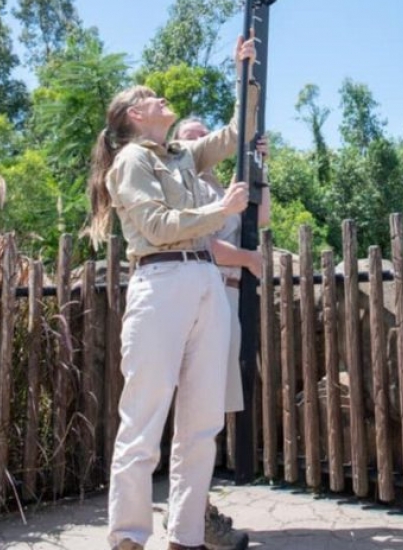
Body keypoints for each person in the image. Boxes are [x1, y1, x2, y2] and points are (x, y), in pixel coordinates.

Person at [86, 35, 259, 550]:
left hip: (204, 279)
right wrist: (220, 212)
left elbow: (237, 133)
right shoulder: (132, 162)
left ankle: (186, 539)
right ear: (136, 113)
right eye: (154, 96)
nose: (163, 98)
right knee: (142, 422)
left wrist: (243, 71)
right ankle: (129, 539)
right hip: (160, 283)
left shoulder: (182, 155)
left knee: (201, 424)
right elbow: (159, 226)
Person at [170, 117, 270, 550]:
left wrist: (261, 168)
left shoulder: (220, 185)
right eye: (190, 136)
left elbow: (260, 218)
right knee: (199, 412)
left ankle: (194, 514)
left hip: (228, 297)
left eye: (203, 134)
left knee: (212, 409)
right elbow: (202, 243)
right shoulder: (183, 185)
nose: (199, 141)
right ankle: (196, 519)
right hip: (207, 291)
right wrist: (248, 259)